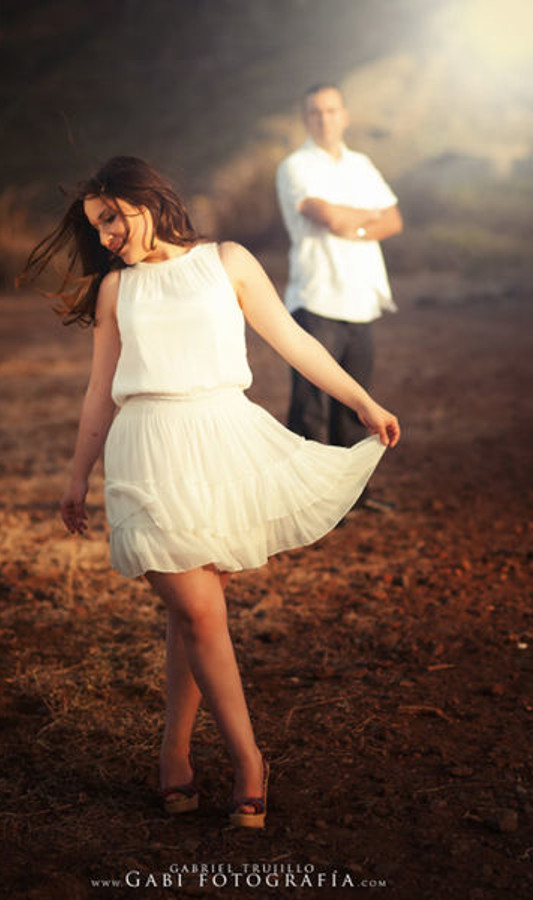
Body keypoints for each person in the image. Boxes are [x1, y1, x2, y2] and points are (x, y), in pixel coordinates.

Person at [20, 155, 400, 829]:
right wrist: (78, 475)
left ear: (144, 200)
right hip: (147, 446)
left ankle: (173, 751)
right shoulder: (117, 290)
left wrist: (361, 400)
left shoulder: (226, 261)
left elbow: (290, 339)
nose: (106, 236)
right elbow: (97, 392)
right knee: (197, 610)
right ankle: (250, 760)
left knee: (192, 616)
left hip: (222, 437)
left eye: (110, 218)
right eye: (96, 227)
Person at [276, 84, 403, 464]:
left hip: (360, 300)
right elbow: (327, 217)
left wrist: (357, 225)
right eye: (315, 111)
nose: (324, 118)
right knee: (310, 409)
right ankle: (308, 500)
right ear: (305, 119)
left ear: (344, 116)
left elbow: (393, 220)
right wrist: (367, 213)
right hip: (316, 299)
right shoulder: (296, 166)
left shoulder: (360, 164)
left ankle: (352, 499)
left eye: (331, 110)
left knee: (354, 406)